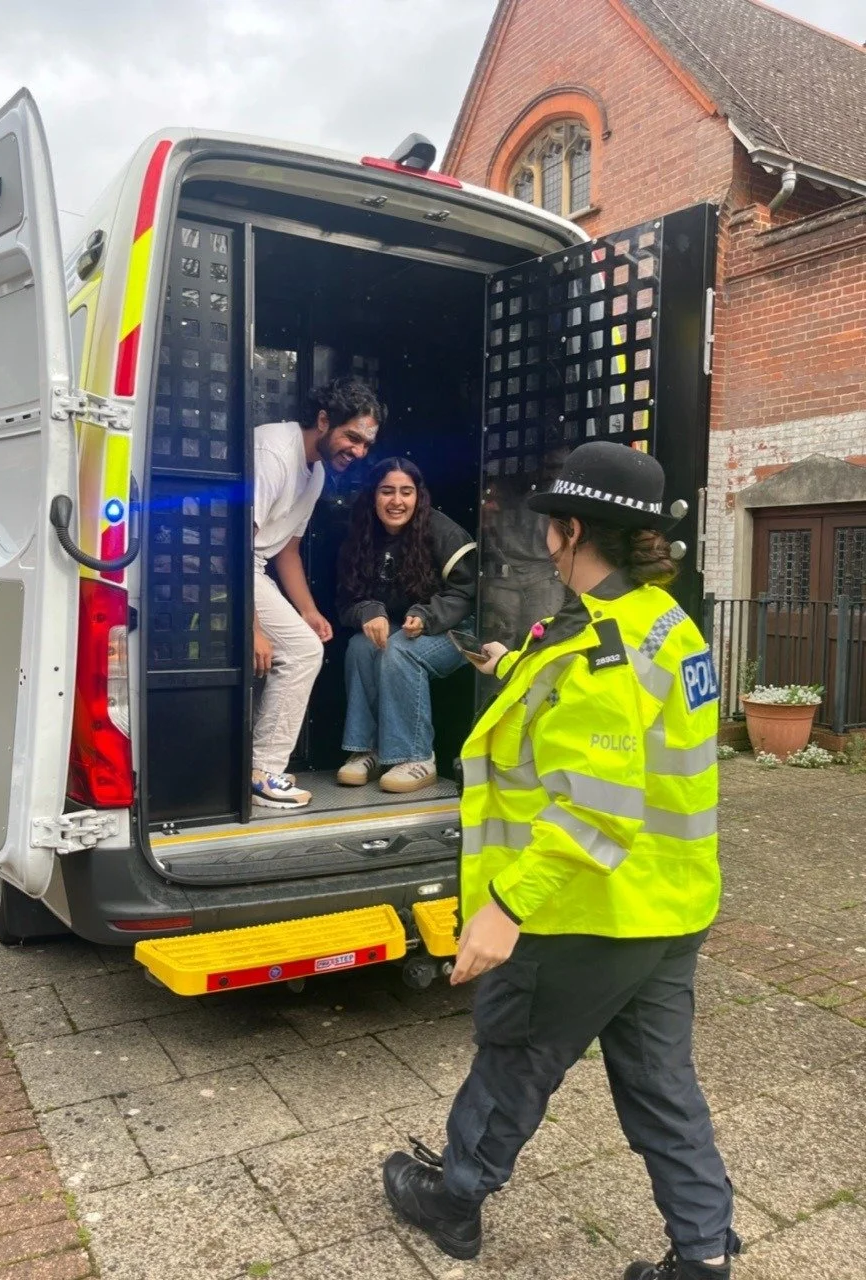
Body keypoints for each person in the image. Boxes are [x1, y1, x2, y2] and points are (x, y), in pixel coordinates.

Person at [383, 441, 738, 1280]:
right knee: (661, 1087)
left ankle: (455, 1199)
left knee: (513, 1057)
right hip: (668, 905)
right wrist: (511, 664)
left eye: (551, 524)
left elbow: (595, 809)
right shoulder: (659, 622)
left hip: (586, 911)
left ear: (571, 531)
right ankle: (704, 1255)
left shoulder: (599, 651)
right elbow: (617, 738)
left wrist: (506, 909)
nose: (543, 538)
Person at [252, 378, 385, 809]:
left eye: (366, 443)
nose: (359, 450)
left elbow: (287, 547)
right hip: (216, 565)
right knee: (304, 652)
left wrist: (307, 610)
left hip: (249, 567)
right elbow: (230, 544)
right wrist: (252, 628)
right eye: (352, 437)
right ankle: (262, 770)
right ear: (324, 421)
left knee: (306, 643)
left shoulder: (318, 471)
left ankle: (260, 766)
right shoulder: (274, 451)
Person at [336, 457, 476, 793]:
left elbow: (466, 593)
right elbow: (345, 602)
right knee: (360, 645)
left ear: (418, 496)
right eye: (387, 491)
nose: (396, 501)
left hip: (456, 633)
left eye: (406, 492)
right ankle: (366, 751)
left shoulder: (442, 531)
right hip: (402, 629)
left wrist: (428, 616)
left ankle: (416, 758)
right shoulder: (362, 534)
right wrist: (367, 611)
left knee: (399, 650)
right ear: (373, 496)